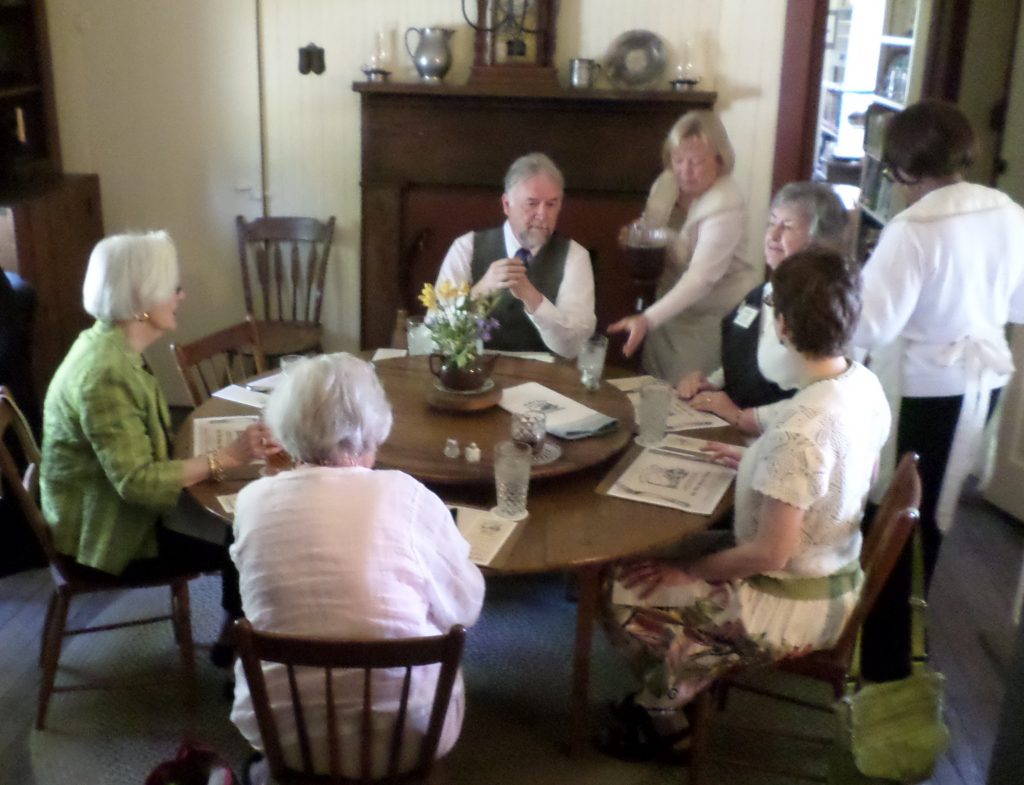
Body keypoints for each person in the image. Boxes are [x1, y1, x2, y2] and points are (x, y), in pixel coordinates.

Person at [601, 248, 890, 761]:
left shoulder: (804, 431)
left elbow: (768, 555)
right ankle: (678, 685)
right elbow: (831, 467)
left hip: (796, 598)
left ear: (780, 325)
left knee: (622, 589)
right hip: (836, 566)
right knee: (659, 560)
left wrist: (688, 571)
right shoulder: (859, 383)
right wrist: (759, 464)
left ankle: (667, 712)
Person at [230, 353, 485, 779]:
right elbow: (465, 608)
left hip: (287, 736)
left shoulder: (253, 502)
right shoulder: (408, 496)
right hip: (410, 735)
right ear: (374, 428)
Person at [853, 100, 1024, 683]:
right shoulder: (1006, 210)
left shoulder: (913, 228)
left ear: (905, 170)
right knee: (930, 522)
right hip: (980, 384)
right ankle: (898, 649)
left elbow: (870, 325)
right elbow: (1019, 304)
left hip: (922, 392)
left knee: (894, 520)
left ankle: (881, 664)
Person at [40, 231, 270, 650]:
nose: (180, 296)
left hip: (106, 507)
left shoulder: (108, 345)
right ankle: (241, 644)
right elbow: (138, 483)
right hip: (108, 537)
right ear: (142, 302)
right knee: (250, 538)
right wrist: (226, 457)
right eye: (172, 288)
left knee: (242, 519)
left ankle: (233, 634)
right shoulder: (104, 374)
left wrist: (217, 457)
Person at [680, 181, 850, 430]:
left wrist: (740, 416)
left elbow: (824, 401)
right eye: (771, 223)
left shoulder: (823, 310)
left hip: (780, 442)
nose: (772, 235)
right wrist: (711, 383)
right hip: (733, 431)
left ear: (818, 241)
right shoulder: (763, 292)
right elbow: (744, 353)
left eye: (787, 226)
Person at [608, 110, 758, 385]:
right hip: (668, 308)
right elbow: (651, 227)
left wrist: (647, 319)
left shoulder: (726, 203)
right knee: (651, 389)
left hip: (710, 317)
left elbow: (701, 278)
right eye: (678, 160)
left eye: (696, 162)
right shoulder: (667, 184)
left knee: (689, 398)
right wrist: (634, 235)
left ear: (720, 160)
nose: (685, 170)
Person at [434, 152, 596, 358]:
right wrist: (481, 290)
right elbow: (436, 333)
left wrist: (534, 299)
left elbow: (573, 347)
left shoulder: (575, 257)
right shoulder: (466, 247)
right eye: (532, 203)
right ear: (506, 205)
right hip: (475, 375)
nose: (542, 215)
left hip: (549, 382)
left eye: (551, 204)